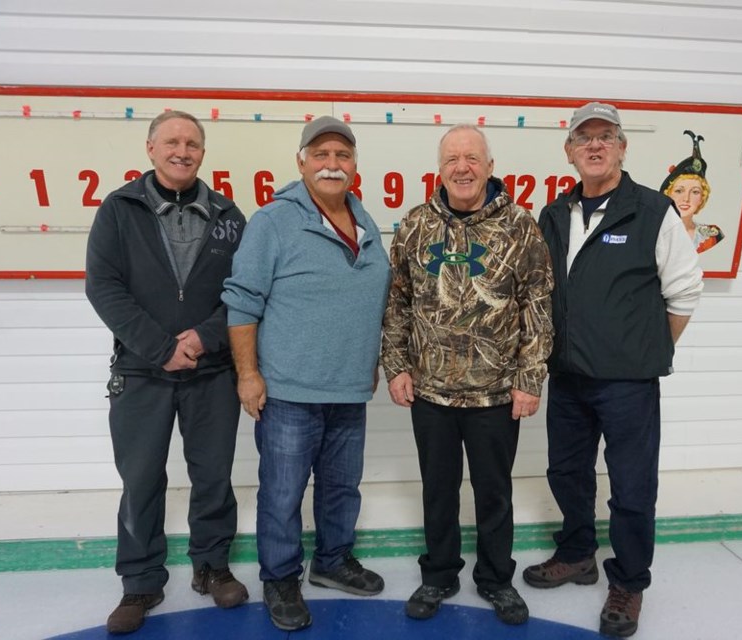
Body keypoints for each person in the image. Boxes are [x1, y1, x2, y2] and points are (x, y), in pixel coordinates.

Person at [526, 103, 704, 638]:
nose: (596, 146)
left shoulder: (653, 211)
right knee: (566, 473)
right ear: (570, 152)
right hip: (569, 379)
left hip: (628, 384)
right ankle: (577, 553)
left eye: (606, 137)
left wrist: (643, 351)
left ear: (623, 148)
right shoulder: (554, 214)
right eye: (585, 138)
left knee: (631, 488)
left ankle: (628, 581)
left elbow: (684, 291)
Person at [221, 116, 390, 632]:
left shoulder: (367, 223)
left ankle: (333, 561)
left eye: (342, 156)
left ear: (355, 167)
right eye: (321, 155)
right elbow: (242, 302)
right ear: (301, 162)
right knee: (283, 492)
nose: (332, 164)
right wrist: (247, 375)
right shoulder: (273, 221)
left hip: (348, 389)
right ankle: (280, 577)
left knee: (343, 488)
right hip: (289, 390)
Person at [381, 124, 554, 626]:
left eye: (472, 158)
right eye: (453, 158)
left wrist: (530, 379)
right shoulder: (414, 225)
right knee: (438, 489)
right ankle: (438, 575)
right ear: (439, 169)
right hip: (431, 391)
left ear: (490, 166)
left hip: (497, 394)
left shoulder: (520, 228)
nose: (463, 167)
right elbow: (397, 304)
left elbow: (538, 309)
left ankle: (497, 579)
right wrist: (396, 367)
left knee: (494, 491)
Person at [85, 110, 249, 635]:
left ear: (203, 153)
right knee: (139, 481)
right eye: (172, 142)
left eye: (193, 143)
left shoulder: (230, 215)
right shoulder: (119, 209)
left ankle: (211, 567)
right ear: (151, 149)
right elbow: (103, 286)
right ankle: (140, 582)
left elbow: (244, 294)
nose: (183, 151)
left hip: (212, 373)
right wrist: (160, 347)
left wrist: (203, 337)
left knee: (213, 477)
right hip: (140, 373)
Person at [660, 130, 724, 253]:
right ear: (668, 194)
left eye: (695, 192)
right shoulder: (652, 234)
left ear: (702, 198)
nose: (686, 199)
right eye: (679, 191)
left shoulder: (712, 236)